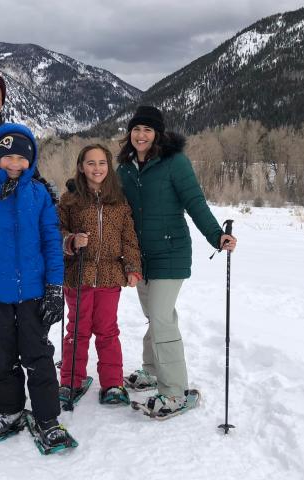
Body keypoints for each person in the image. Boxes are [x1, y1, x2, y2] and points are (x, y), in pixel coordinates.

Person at [117, 105, 237, 416]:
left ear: (157, 133)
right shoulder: (125, 168)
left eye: (147, 129)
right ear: (129, 134)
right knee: (156, 315)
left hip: (170, 252)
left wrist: (216, 236)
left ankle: (174, 392)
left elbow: (194, 202)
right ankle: (152, 370)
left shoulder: (174, 162)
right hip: (139, 256)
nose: (141, 135)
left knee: (160, 318)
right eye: (136, 129)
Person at [0, 123, 71, 447]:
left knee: (38, 356)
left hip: (33, 294)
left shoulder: (39, 194)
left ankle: (48, 417)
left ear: (31, 160)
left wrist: (54, 289)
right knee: (1, 359)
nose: (14, 164)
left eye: (21, 158)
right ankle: (9, 412)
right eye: (8, 157)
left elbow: (51, 242)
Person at [57, 145, 142, 406]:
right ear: (81, 166)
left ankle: (113, 384)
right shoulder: (70, 200)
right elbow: (56, 231)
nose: (97, 168)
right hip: (79, 274)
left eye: (102, 163)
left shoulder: (119, 201)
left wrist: (133, 267)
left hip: (108, 275)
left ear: (109, 166)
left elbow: (129, 237)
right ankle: (71, 381)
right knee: (78, 330)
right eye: (91, 163)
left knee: (107, 331)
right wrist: (71, 240)